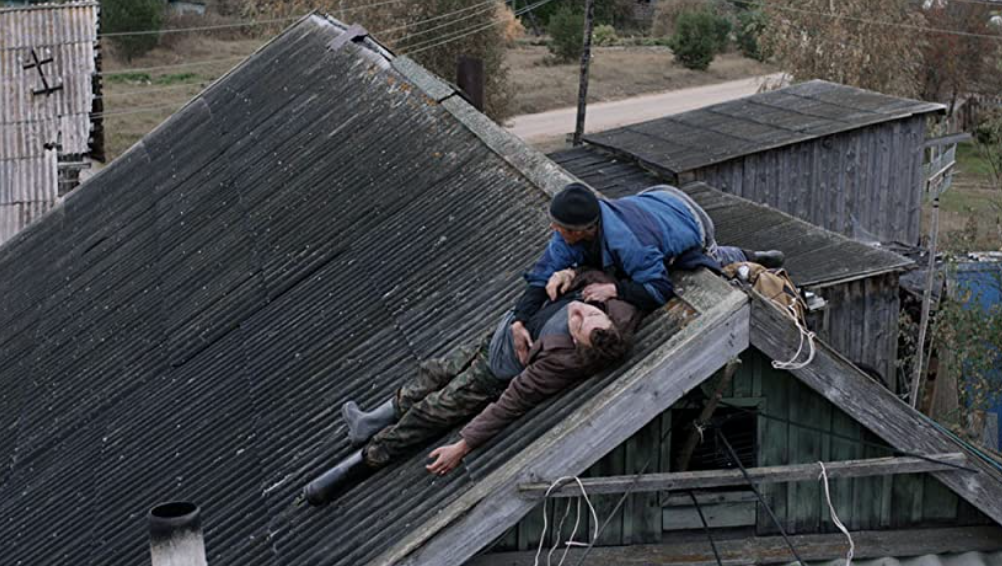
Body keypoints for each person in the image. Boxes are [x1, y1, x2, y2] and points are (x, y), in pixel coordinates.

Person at [303, 270, 640, 505]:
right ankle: (370, 421)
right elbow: (597, 273)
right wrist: (569, 274)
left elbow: (514, 400)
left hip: (494, 370)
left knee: (432, 411)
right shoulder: (617, 310)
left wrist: (462, 446)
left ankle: (364, 460)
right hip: (500, 335)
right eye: (590, 313)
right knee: (434, 372)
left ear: (578, 346)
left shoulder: (561, 363)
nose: (578, 311)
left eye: (576, 324)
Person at [507, 183, 781, 366]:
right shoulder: (571, 233)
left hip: (687, 217)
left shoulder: (629, 243)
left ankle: (751, 257)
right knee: (618, 267)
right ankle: (750, 254)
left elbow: (658, 289)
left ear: (580, 230)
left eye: (560, 227)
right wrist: (520, 320)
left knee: (702, 262)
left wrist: (616, 291)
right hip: (653, 199)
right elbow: (543, 273)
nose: (553, 229)